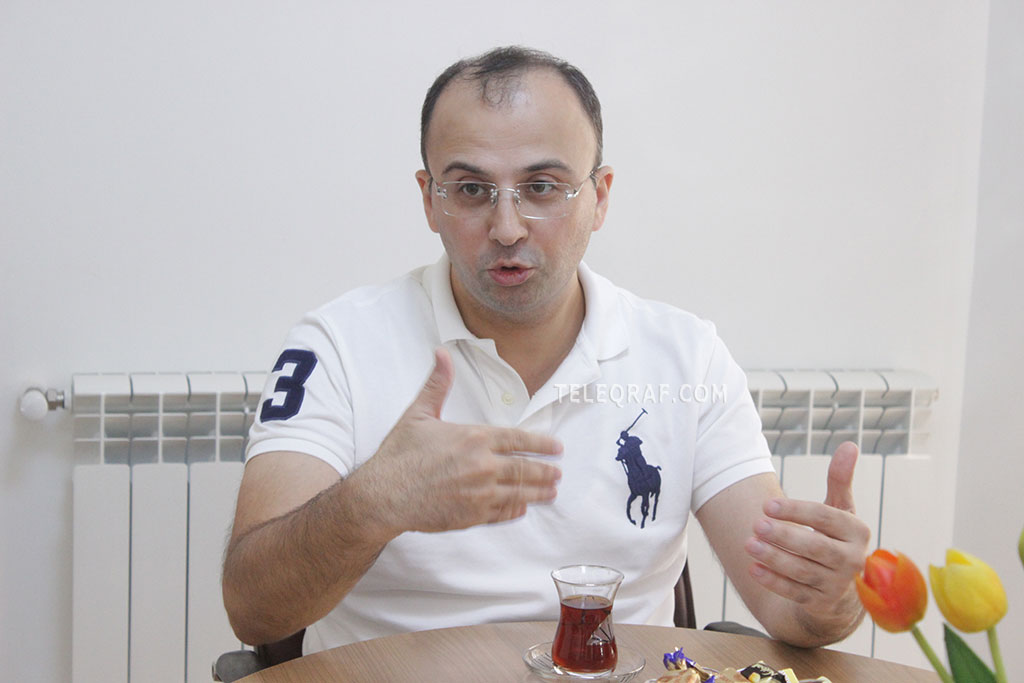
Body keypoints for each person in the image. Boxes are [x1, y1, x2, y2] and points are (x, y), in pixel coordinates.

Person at [222, 46, 869, 654]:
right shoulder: (337, 345)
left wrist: (833, 597)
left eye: (541, 187)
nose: (507, 229)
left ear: (599, 197)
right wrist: (372, 502)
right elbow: (253, 610)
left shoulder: (687, 356)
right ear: (429, 200)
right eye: (471, 189)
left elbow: (793, 612)